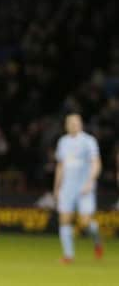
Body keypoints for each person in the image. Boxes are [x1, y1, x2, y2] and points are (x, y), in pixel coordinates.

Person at [53, 113, 103, 263]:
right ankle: (69, 256)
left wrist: (90, 181)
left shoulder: (89, 141)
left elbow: (96, 163)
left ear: (81, 124)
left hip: (84, 187)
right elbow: (61, 165)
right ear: (66, 125)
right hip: (67, 187)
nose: (73, 125)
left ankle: (97, 241)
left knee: (85, 222)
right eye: (70, 123)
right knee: (64, 219)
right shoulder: (63, 142)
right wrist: (56, 187)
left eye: (76, 123)